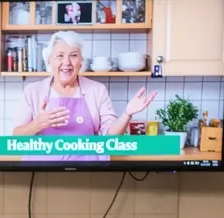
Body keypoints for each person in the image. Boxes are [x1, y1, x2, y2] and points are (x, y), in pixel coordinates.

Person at [11, 31, 157, 161]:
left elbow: (110, 137)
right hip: (43, 173)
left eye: (73, 56)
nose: (66, 62)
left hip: (88, 171)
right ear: (49, 61)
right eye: (60, 56)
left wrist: (127, 114)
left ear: (81, 62)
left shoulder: (97, 90)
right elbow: (16, 138)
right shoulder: (33, 91)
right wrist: (38, 124)